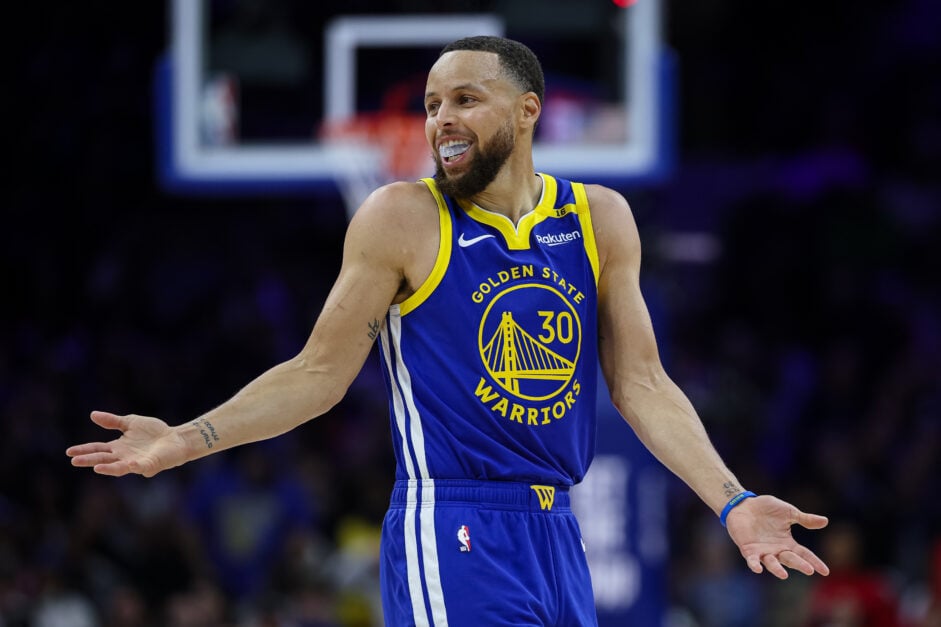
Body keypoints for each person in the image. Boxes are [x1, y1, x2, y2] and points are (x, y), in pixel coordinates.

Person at [67, 36, 830, 625]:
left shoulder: (597, 217)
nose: (440, 120)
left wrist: (733, 502)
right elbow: (314, 375)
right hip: (453, 519)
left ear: (527, 110)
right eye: (432, 104)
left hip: (556, 530)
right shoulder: (401, 216)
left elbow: (641, 384)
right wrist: (185, 438)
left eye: (465, 99)